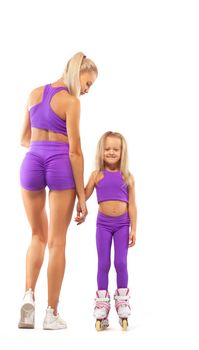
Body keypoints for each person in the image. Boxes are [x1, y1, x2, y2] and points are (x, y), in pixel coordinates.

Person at [18, 52, 98, 330]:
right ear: (77, 75)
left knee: (37, 235)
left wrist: (42, 150)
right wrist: (82, 197)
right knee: (57, 242)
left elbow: (24, 138)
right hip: (60, 164)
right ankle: (51, 313)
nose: (87, 91)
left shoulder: (34, 93)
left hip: (32, 162)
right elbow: (75, 152)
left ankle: (28, 295)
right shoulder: (71, 102)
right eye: (87, 84)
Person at [76, 131, 137, 331]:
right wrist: (81, 211)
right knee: (103, 263)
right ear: (101, 151)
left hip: (122, 225)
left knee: (120, 262)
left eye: (115, 149)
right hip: (102, 224)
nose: (111, 152)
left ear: (122, 152)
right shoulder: (96, 175)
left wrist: (133, 229)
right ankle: (102, 303)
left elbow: (133, 206)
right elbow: (84, 197)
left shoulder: (127, 177)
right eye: (107, 148)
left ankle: (122, 301)